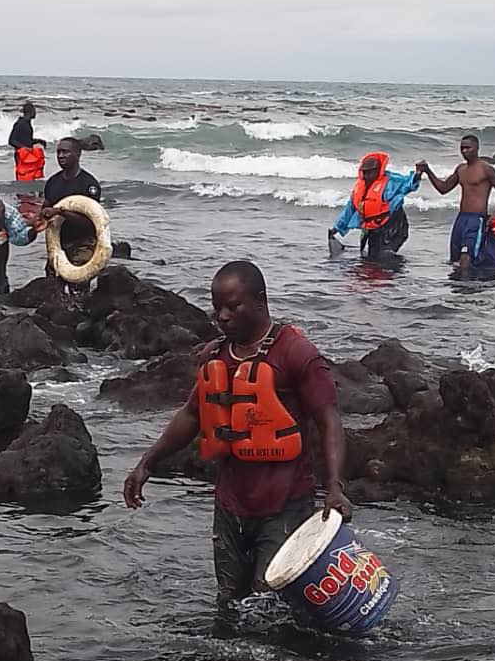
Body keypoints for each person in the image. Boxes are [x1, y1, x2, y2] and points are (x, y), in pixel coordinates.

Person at [123, 260, 352, 609]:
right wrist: (146, 464)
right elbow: (192, 414)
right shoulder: (213, 356)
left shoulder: (294, 352)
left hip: (285, 505)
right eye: (217, 307)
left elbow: (328, 418)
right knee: (230, 605)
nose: (222, 316)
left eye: (233, 306)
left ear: (260, 301)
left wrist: (334, 487)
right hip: (230, 505)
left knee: (268, 607)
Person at [418, 135, 495, 272]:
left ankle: (468, 290)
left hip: (477, 220)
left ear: (477, 148)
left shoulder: (486, 169)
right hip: (461, 219)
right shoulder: (460, 169)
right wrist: (428, 171)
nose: (464, 151)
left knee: (466, 258)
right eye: (462, 148)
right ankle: (458, 290)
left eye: (468, 148)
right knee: (454, 259)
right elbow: (443, 189)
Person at [329, 152, 421, 259]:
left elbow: (408, 185)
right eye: (365, 172)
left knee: (385, 258)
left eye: (370, 172)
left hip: (393, 226)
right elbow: (349, 210)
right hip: (371, 227)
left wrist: (418, 174)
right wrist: (337, 228)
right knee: (371, 257)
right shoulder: (359, 187)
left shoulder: (391, 182)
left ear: (378, 171)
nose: (367, 176)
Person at [41, 137, 102, 274]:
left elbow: (91, 221)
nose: (61, 156)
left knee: (79, 284)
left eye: (65, 152)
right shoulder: (52, 182)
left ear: (78, 154)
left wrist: (60, 212)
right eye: (58, 152)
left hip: (83, 243)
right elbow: (45, 209)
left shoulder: (88, 184)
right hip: (58, 243)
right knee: (51, 281)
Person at [9, 101, 46, 181]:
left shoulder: (27, 124)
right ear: (30, 112)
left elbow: (26, 140)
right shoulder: (20, 123)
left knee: (30, 176)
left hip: (28, 155)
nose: (36, 113)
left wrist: (37, 141)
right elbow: (11, 140)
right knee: (22, 176)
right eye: (34, 111)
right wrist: (24, 147)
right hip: (21, 155)